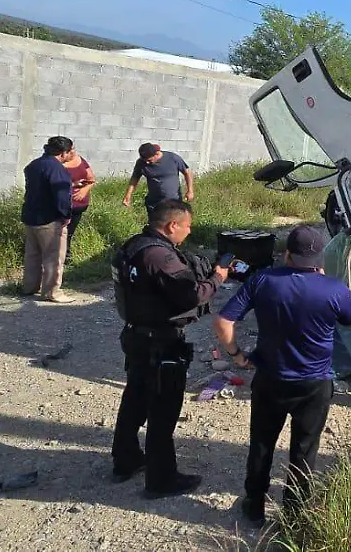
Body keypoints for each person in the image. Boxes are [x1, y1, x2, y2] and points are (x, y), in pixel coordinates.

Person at [214, 225, 351, 527]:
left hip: (271, 380)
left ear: (287, 254)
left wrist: (237, 356)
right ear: (320, 258)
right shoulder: (335, 290)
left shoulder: (262, 280)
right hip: (314, 384)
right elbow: (350, 318)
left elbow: (224, 321)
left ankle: (254, 505)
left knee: (262, 443)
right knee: (305, 448)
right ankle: (296, 513)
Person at [110, 200, 229, 498]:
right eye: (187, 226)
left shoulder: (134, 245)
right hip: (160, 342)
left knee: (135, 399)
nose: (188, 232)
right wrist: (218, 277)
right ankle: (161, 479)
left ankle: (125, 460)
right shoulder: (160, 256)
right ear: (172, 225)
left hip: (136, 336)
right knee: (163, 411)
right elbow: (191, 295)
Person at [20, 136, 76, 303]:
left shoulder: (33, 165)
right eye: (71, 150)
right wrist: (66, 215)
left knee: (32, 256)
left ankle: (29, 287)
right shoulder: (57, 169)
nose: (72, 153)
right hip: (49, 220)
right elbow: (61, 196)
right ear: (63, 153)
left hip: (31, 217)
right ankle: (52, 292)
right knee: (54, 258)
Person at [122, 143, 194, 220]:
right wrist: (128, 195)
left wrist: (190, 190)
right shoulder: (141, 163)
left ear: (156, 154)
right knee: (155, 227)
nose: (147, 163)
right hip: (154, 203)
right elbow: (134, 178)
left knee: (171, 225)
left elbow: (187, 173)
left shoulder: (173, 158)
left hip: (173, 202)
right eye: (145, 160)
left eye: (149, 160)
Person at [62, 144, 96, 264]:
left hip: (79, 205)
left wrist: (84, 190)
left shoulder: (80, 160)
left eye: (74, 149)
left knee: (69, 232)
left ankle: (67, 255)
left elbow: (91, 179)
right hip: (64, 204)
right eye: (70, 150)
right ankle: (61, 257)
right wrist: (73, 185)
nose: (73, 152)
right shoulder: (59, 165)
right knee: (60, 232)